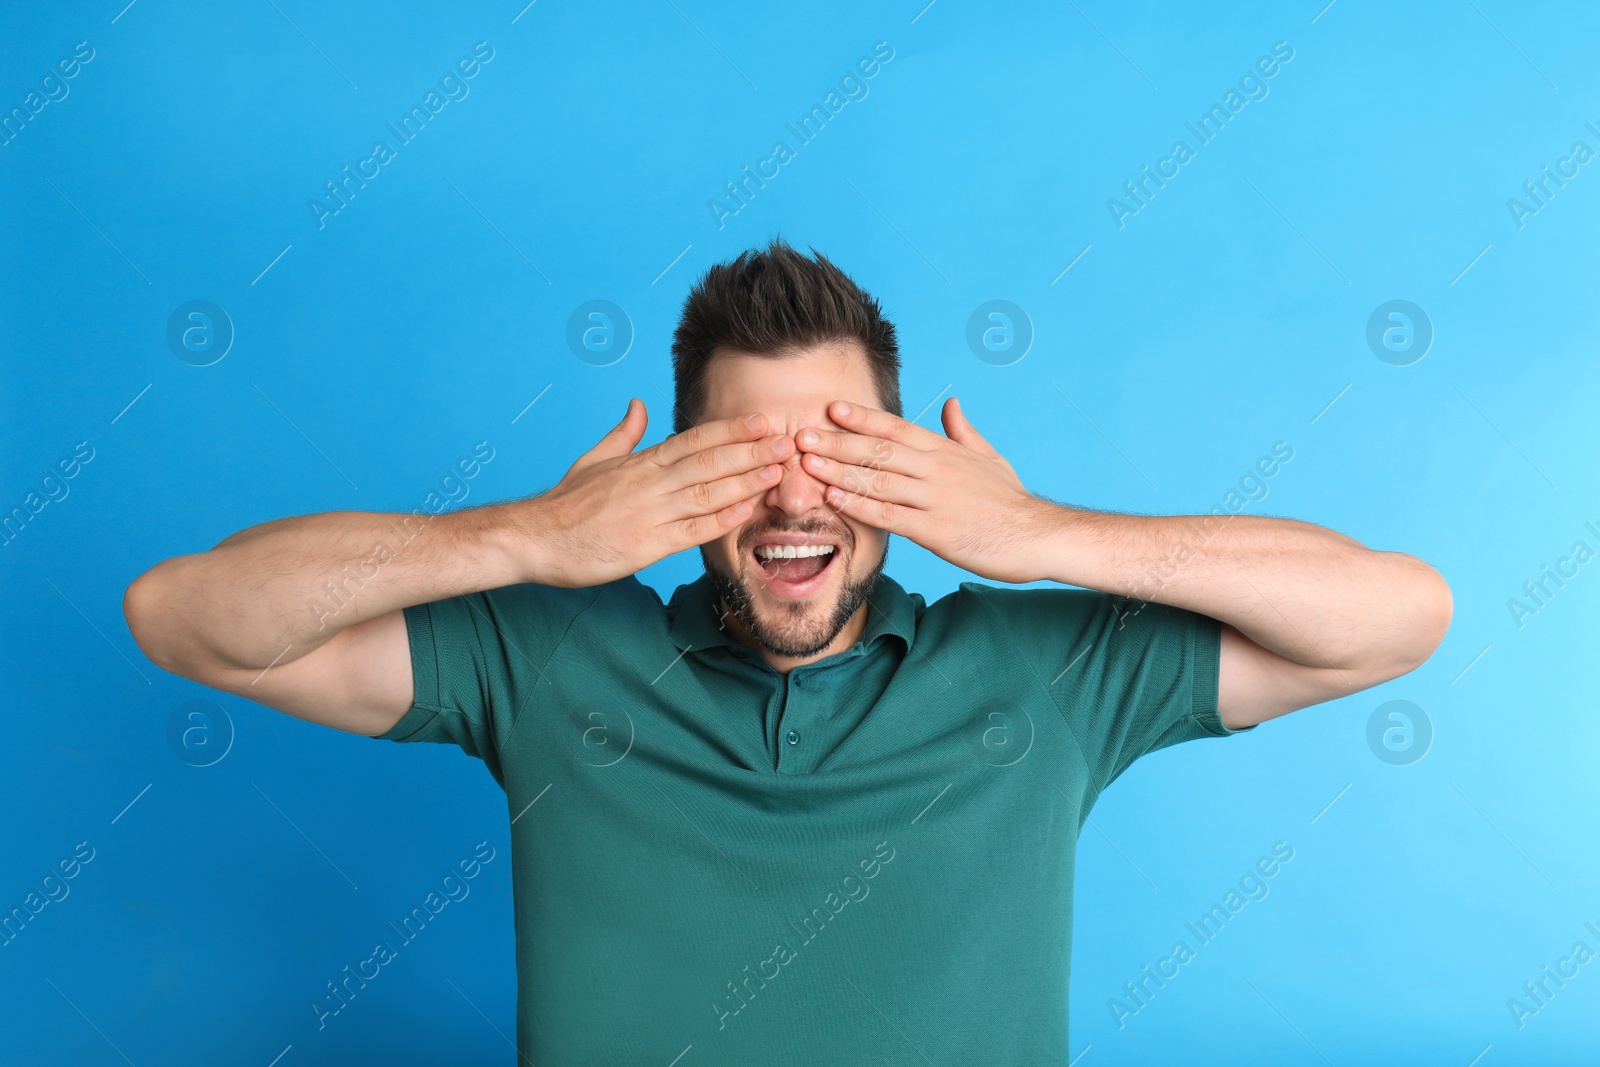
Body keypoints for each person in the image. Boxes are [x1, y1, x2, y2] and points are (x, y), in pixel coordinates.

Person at [123, 238, 1452, 1064]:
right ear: (675, 482)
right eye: (747, 458)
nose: (797, 498)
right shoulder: (544, 663)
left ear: (904, 473)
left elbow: (1400, 615)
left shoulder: (1043, 676)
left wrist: (1045, 533)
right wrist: (528, 536)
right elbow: (182, 616)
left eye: (840, 452)